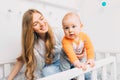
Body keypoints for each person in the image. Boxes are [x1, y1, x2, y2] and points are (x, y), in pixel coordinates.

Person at [7, 9, 61, 80]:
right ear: (31, 29)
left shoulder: (58, 32)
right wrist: (9, 79)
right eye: (35, 24)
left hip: (63, 63)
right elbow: (21, 60)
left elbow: (74, 43)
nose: (42, 24)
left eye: (41, 19)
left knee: (47, 72)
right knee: (42, 73)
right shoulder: (34, 44)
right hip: (49, 67)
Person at [60, 12, 95, 80]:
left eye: (73, 26)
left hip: (79, 57)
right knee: (65, 73)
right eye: (66, 28)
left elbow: (89, 48)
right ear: (63, 29)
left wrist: (90, 58)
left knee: (82, 70)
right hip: (66, 58)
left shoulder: (84, 36)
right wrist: (76, 63)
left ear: (80, 27)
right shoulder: (65, 40)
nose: (70, 30)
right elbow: (70, 53)